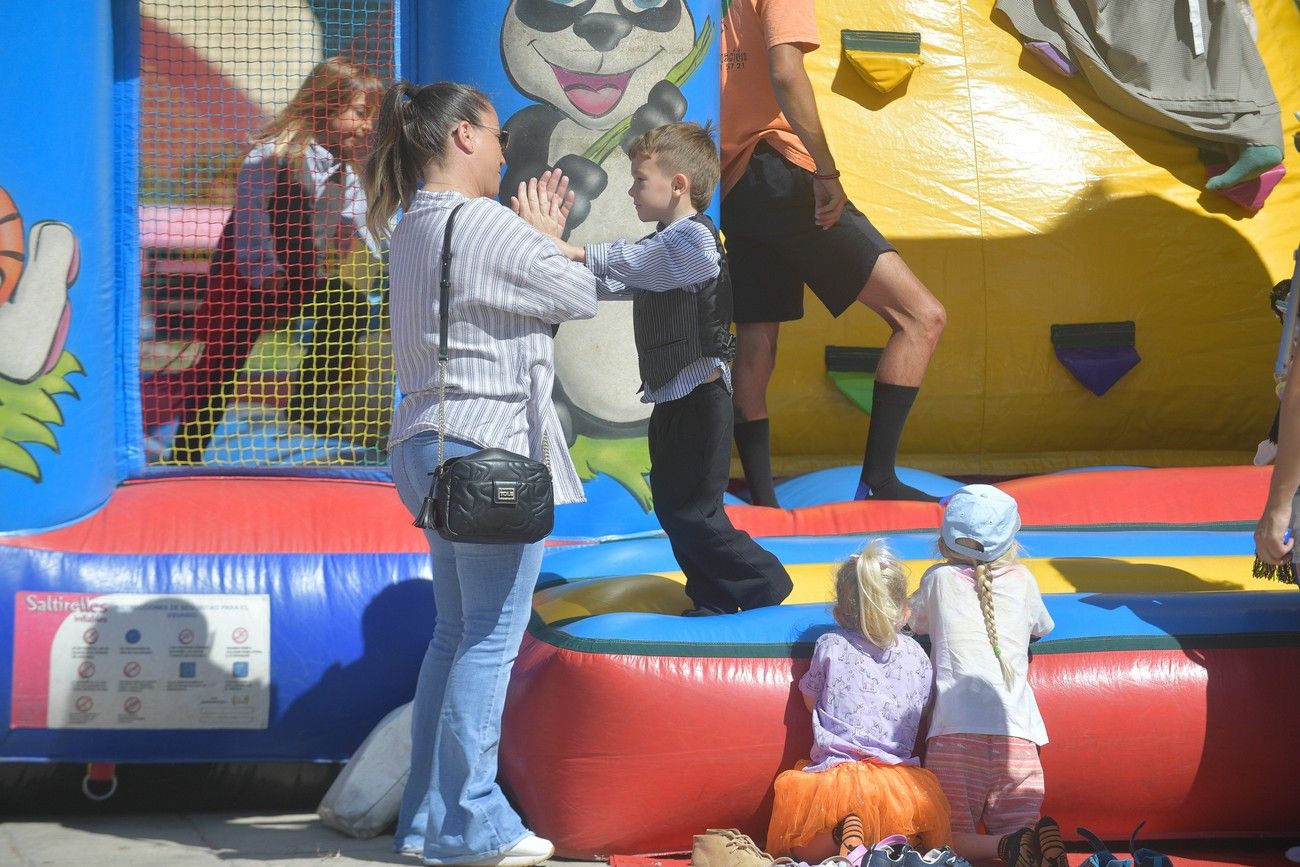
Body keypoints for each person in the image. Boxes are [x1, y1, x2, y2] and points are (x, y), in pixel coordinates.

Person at [362, 80, 600, 867]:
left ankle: (430, 823)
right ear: (463, 136)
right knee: (489, 640)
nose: (506, 152)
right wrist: (543, 233)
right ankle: (474, 820)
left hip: (425, 442)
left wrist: (529, 237)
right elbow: (577, 291)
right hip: (488, 447)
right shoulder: (485, 223)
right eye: (497, 135)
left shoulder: (411, 225)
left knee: (455, 634)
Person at [517, 121, 792, 615]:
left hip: (701, 401)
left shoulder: (693, 242)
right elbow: (621, 281)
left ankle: (763, 582)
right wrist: (556, 264)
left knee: (696, 509)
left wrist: (572, 249)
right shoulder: (663, 246)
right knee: (671, 505)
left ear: (679, 185)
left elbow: (637, 263)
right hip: (673, 398)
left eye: (641, 179)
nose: (631, 188)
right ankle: (710, 593)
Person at [720, 0, 946, 507]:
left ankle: (763, 501)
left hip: (732, 183)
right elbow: (784, 69)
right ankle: (880, 480)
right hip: (782, 170)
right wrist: (825, 169)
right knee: (921, 317)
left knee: (757, 337)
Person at [165, 56, 384, 463]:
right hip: (246, 279)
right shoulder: (270, 157)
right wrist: (264, 273)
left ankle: (309, 404)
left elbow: (367, 230)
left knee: (348, 305)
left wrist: (391, 263)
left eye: (369, 116)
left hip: (301, 279)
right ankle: (185, 451)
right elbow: (251, 224)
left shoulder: (347, 175)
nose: (367, 126)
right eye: (359, 114)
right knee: (223, 362)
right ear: (325, 105)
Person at [908, 485, 1068, 867]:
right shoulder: (1024, 580)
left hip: (955, 734)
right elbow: (1041, 627)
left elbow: (912, 621)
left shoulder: (938, 580)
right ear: (1011, 540)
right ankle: (1036, 851)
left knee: (943, 840)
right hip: (1018, 734)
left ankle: (1004, 848)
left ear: (945, 539)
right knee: (1023, 831)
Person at [765, 540, 951, 861]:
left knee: (801, 849)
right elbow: (922, 710)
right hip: (899, 786)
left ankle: (843, 837)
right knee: (909, 845)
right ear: (905, 613)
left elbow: (811, 702)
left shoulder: (830, 644)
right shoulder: (917, 656)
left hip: (838, 779)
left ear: (838, 614)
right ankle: (877, 848)